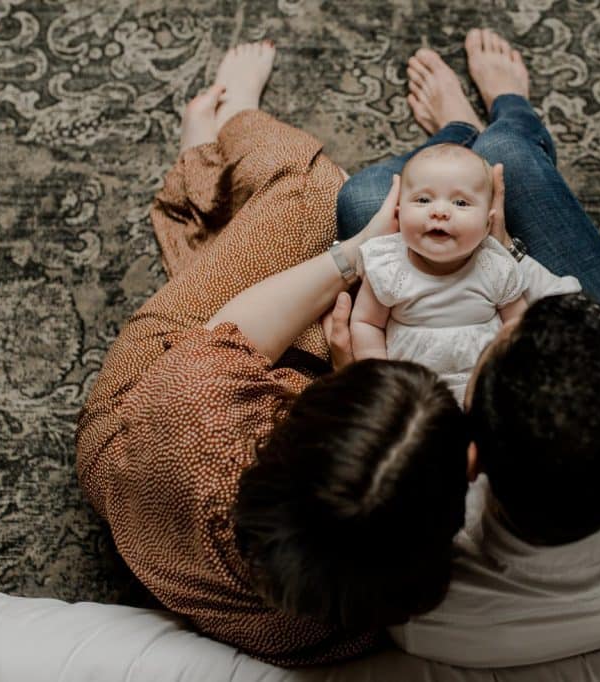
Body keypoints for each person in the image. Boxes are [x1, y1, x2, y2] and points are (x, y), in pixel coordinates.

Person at [333, 29, 600, 667]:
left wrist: (357, 385)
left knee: (366, 196)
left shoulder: (426, 598)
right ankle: (507, 113)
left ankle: (465, 130)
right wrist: (504, 257)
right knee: (508, 158)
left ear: (470, 461)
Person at [75, 41, 472, 666]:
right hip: (177, 459)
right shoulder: (362, 620)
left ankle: (215, 146)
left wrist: (356, 252)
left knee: (314, 199)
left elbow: (226, 335)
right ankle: (222, 167)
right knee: (342, 242)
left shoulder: (192, 406)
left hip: (141, 407)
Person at [352, 142, 578, 402]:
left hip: (486, 384)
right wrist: (379, 372)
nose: (439, 211)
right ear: (398, 213)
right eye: (423, 200)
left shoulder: (494, 265)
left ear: (487, 224)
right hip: (412, 391)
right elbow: (366, 323)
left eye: (461, 203)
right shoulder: (388, 267)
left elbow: (517, 323)